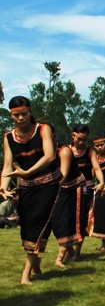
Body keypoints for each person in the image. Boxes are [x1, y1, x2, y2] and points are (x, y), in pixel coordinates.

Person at [0, 96, 61, 284]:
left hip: (48, 185)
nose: (20, 118)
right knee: (26, 227)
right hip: (26, 188)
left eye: (24, 114)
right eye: (16, 115)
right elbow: (8, 165)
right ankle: (35, 262)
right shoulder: (8, 137)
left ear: (30, 111)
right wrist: (3, 187)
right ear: (11, 115)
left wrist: (27, 172)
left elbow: (50, 156)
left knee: (37, 223)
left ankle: (26, 273)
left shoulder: (43, 129)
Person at [69, 124, 104, 259]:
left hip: (85, 191)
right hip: (68, 191)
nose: (81, 142)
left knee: (82, 220)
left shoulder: (90, 152)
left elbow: (97, 168)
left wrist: (101, 182)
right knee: (67, 219)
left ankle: (77, 251)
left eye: (84, 139)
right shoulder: (65, 150)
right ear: (73, 136)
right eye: (79, 139)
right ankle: (68, 248)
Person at [52, 136, 86, 267]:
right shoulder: (45, 152)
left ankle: (60, 258)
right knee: (56, 222)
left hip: (74, 189)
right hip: (61, 189)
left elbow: (63, 174)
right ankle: (70, 251)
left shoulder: (64, 151)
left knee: (67, 221)